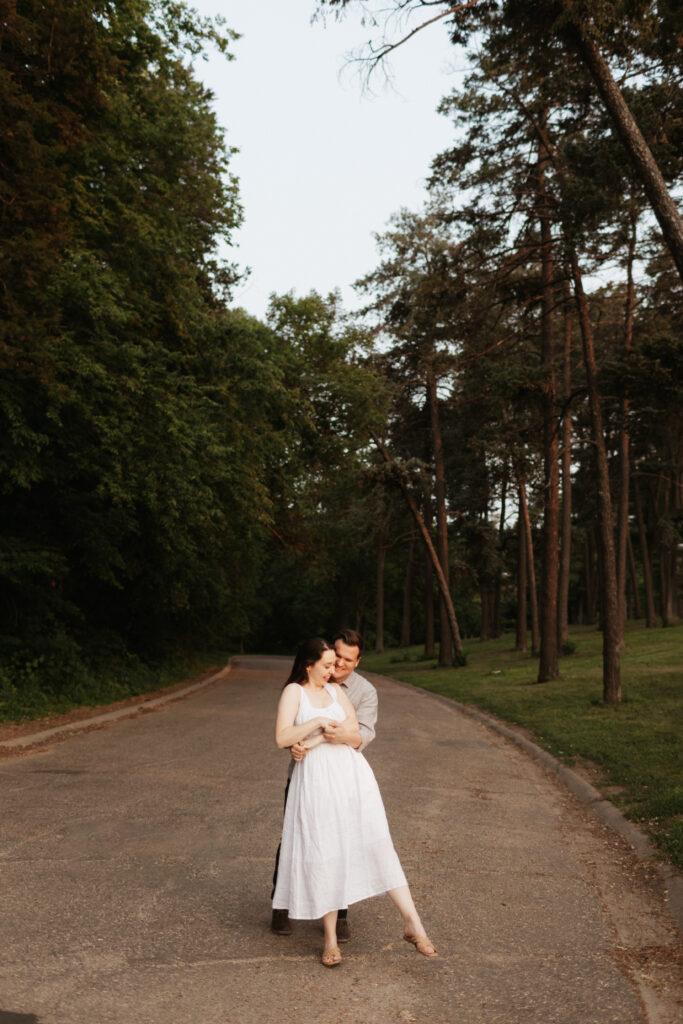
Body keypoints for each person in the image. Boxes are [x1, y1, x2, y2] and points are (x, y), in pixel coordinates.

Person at [272, 636, 437, 967]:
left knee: (378, 844)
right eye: (328, 665)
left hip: (352, 775)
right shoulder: (294, 692)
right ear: (309, 665)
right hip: (316, 781)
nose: (334, 670)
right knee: (326, 850)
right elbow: (282, 737)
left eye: (336, 664)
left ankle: (413, 922)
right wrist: (316, 724)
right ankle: (330, 939)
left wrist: (313, 740)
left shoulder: (335, 690)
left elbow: (349, 725)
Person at [270, 629, 377, 942]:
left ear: (358, 662)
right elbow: (288, 729)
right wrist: (299, 744)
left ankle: (340, 911)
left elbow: (362, 735)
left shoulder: (364, 691)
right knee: (295, 834)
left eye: (347, 660)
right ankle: (282, 902)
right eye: (336, 657)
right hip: (305, 774)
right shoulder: (308, 682)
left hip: (342, 776)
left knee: (342, 840)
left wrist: (331, 737)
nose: (340, 665)